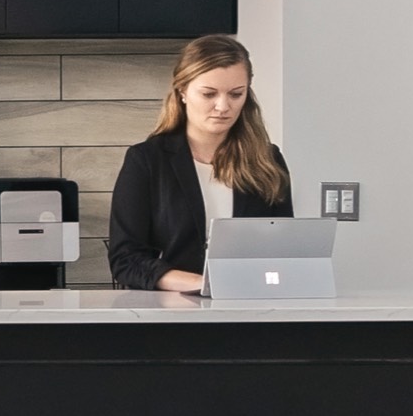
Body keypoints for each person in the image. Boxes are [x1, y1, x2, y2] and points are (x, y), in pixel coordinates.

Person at [107, 34, 293, 292]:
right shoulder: (147, 161)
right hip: (168, 316)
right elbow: (126, 260)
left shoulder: (267, 160)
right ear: (182, 91)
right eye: (209, 94)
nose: (223, 106)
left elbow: (285, 250)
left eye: (236, 94)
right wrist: (202, 284)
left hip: (250, 308)